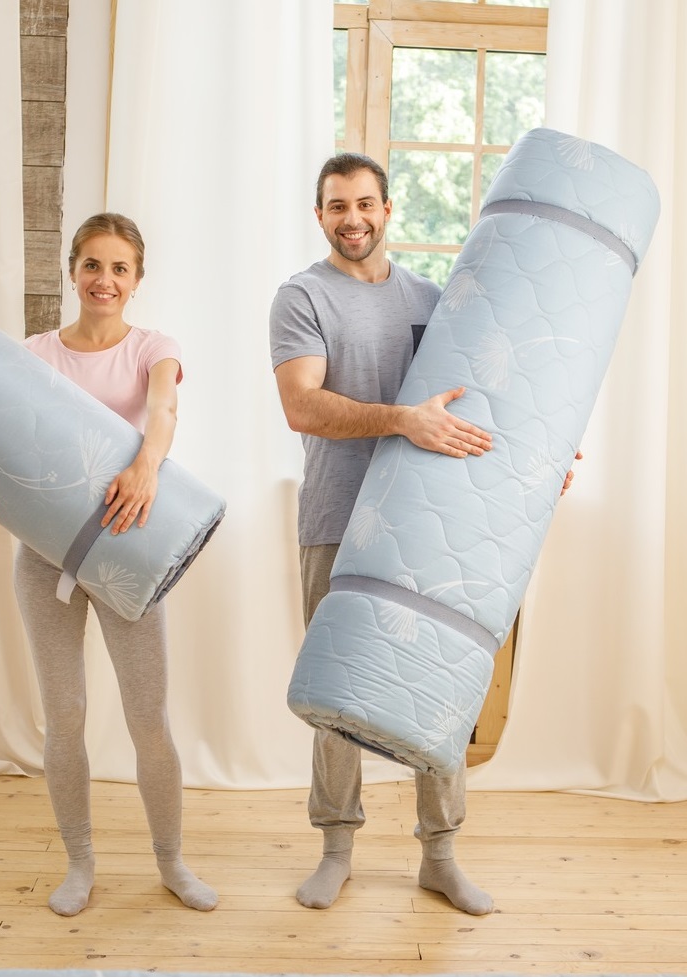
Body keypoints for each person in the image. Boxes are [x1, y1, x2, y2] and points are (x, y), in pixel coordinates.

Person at [0, 213, 216, 917]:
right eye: (93, 265)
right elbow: (2, 443)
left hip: (128, 552)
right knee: (64, 716)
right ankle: (79, 862)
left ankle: (171, 862)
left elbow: (163, 409)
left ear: (137, 279)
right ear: (72, 272)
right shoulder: (34, 352)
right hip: (44, 561)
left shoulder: (154, 348)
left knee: (148, 718)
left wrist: (147, 464)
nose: (105, 279)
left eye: (119, 268)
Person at [268, 153, 500, 916]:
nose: (353, 218)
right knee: (339, 690)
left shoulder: (431, 299)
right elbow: (302, 406)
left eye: (365, 203)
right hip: (336, 518)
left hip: (427, 522)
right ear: (320, 215)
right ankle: (335, 848)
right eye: (338, 206)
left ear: (388, 208)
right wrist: (401, 419)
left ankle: (440, 854)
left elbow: (473, 403)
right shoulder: (302, 297)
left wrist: (536, 465)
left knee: (440, 686)